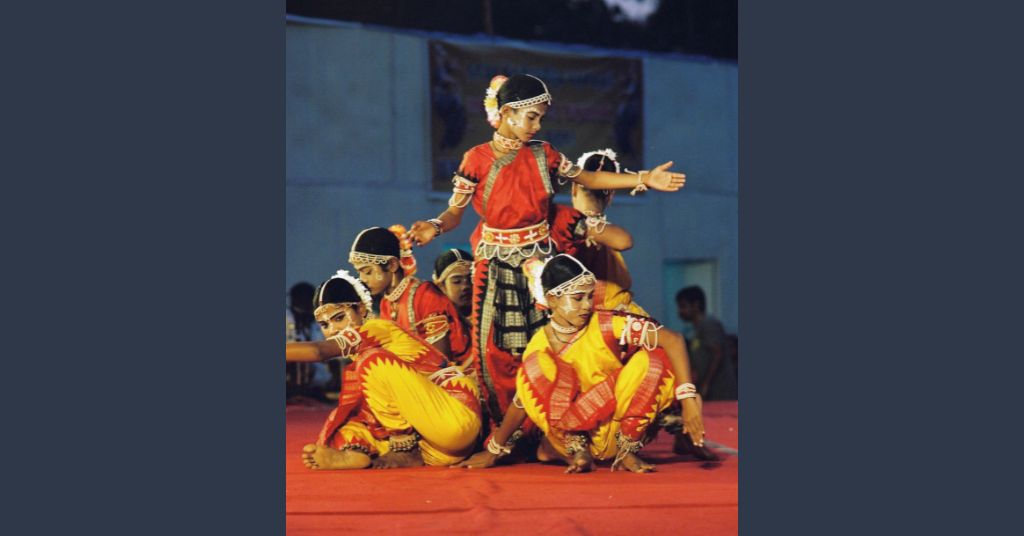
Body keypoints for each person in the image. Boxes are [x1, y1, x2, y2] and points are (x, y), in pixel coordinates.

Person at [406, 74, 687, 429]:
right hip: (495, 265)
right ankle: (504, 431)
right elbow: (455, 211)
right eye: (531, 117)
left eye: (540, 117)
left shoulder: (546, 154)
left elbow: (589, 179)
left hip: (542, 265)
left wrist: (645, 178)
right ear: (507, 113)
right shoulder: (476, 159)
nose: (537, 125)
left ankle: (551, 428)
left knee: (550, 345)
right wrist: (436, 225)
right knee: (493, 349)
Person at [456, 255, 707, 474]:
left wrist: (688, 399)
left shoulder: (607, 323)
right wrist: (494, 449)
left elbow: (673, 340)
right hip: (570, 437)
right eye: (577, 298)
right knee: (533, 368)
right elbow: (522, 400)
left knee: (652, 360)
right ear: (552, 300)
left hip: (619, 430)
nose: (587, 305)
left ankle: (625, 452)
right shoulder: (539, 345)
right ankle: (577, 451)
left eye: (589, 296)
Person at [287, 270, 482, 470]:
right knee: (348, 419)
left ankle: (404, 448)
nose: (332, 330)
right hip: (435, 448)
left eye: (339, 318)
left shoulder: (379, 328)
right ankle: (354, 453)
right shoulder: (359, 352)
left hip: (455, 417)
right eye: (324, 324)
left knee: (371, 361)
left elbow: (318, 352)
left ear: (361, 310)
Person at [348, 226, 469, 364]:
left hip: (456, 376)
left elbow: (441, 360)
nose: (362, 279)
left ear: (392, 265)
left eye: (367, 271)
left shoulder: (425, 295)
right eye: (359, 273)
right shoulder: (386, 304)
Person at [676, 286, 738, 401]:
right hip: (710, 391)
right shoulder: (697, 329)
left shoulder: (709, 323)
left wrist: (706, 383)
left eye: (683, 306)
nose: (679, 311)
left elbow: (717, 352)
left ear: (696, 305)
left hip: (720, 391)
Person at [286, 282, 332, 400]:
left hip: (316, 387)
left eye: (308, 299)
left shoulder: (319, 321)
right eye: (301, 299)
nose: (305, 303)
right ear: (293, 300)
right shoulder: (286, 319)